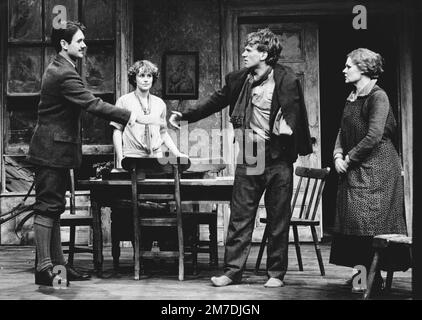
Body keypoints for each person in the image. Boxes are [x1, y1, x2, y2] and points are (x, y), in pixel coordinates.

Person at [170, 28, 312, 287]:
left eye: (249, 49)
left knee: (278, 218)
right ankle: (232, 271)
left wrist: (290, 129)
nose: (244, 53)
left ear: (265, 54)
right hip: (250, 154)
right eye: (245, 48)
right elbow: (215, 101)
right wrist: (186, 116)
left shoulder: (286, 79)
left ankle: (276, 274)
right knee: (240, 216)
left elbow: (297, 113)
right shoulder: (238, 79)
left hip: (278, 156)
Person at [27, 21, 159, 286]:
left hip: (56, 150)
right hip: (51, 151)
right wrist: (132, 115)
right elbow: (92, 104)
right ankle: (44, 269)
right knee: (48, 207)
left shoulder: (63, 68)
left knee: (54, 207)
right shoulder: (64, 73)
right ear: (64, 45)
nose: (84, 44)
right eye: (79, 41)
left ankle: (59, 267)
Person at [329, 48, 408, 293]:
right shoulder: (352, 96)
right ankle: (362, 274)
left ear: (363, 69)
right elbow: (342, 131)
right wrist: (337, 155)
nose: (343, 70)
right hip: (355, 166)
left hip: (378, 168)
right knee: (355, 221)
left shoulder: (378, 96)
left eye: (348, 66)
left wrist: (349, 158)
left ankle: (374, 276)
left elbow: (374, 136)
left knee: (371, 222)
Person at [111, 60, 186, 166]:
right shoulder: (123, 101)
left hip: (156, 157)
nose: (146, 80)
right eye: (141, 75)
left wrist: (177, 153)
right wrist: (120, 158)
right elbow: (117, 131)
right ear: (134, 78)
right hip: (133, 157)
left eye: (149, 76)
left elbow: (163, 133)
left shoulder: (159, 103)